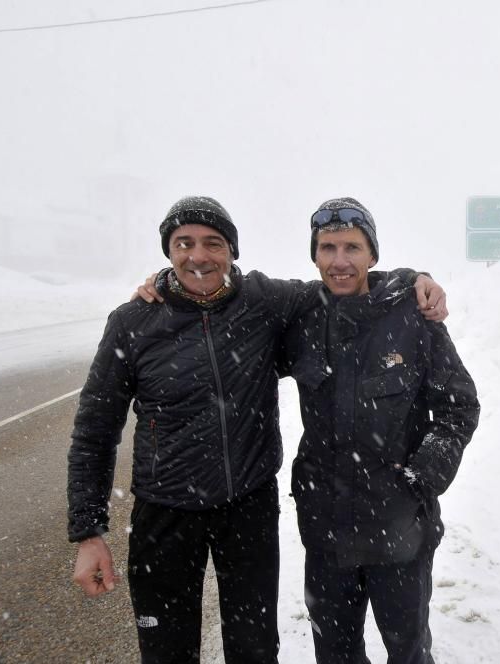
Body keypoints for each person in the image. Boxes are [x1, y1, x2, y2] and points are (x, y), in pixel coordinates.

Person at [67, 195, 445, 664]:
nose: (198, 255)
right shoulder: (134, 322)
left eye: (213, 243)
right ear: (168, 251)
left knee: (255, 652)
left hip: (247, 508)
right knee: (165, 654)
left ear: (233, 252)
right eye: (183, 243)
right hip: (164, 515)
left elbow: (354, 284)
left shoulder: (265, 303)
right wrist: (88, 531)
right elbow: (95, 431)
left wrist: (416, 280)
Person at [284, 197, 480, 664]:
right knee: (335, 655)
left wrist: (421, 479)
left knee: (408, 652)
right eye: (327, 248)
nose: (339, 261)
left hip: (400, 530)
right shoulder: (299, 319)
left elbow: (458, 405)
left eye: (352, 247)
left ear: (372, 253)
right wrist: (163, 286)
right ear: (314, 255)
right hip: (325, 530)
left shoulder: (412, 317)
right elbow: (232, 306)